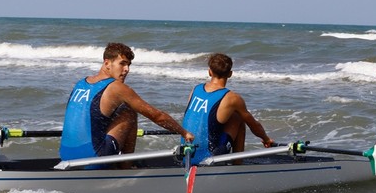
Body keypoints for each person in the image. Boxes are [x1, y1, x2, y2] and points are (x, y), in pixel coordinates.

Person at [59, 42, 194, 161]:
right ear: (107, 63)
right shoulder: (116, 87)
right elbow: (157, 116)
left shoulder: (81, 83)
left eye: (129, 65)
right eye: (122, 64)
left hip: (65, 155)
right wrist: (184, 133)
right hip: (93, 158)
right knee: (129, 112)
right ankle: (126, 167)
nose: (127, 69)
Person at [182, 53, 273, 163]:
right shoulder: (232, 98)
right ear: (230, 74)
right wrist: (266, 139)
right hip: (209, 159)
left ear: (209, 72)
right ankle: (237, 165)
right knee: (239, 118)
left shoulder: (196, 89)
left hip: (186, 154)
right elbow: (253, 125)